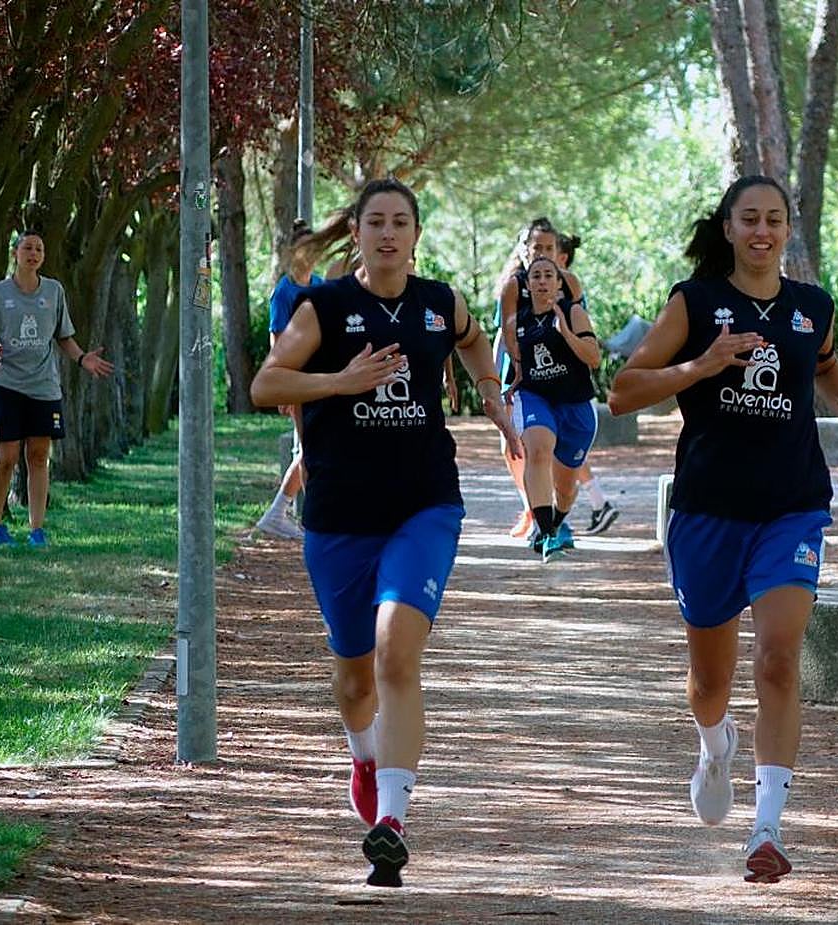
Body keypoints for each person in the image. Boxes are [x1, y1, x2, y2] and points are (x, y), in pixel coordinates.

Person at [608, 176, 838, 883]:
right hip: (708, 511)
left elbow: (824, 363)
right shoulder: (694, 302)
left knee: (777, 658)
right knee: (710, 682)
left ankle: (766, 829)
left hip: (791, 506)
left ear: (788, 229)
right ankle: (715, 746)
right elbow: (622, 391)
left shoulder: (812, 306)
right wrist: (703, 364)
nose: (762, 230)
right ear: (729, 227)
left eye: (774, 219)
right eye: (750, 219)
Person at [250, 177, 520, 888]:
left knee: (396, 651)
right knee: (352, 678)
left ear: (416, 234)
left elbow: (473, 341)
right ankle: (365, 757)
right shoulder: (325, 308)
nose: (389, 233)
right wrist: (339, 382)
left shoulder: (439, 303)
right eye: (376, 222)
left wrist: (491, 396)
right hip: (340, 514)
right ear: (358, 233)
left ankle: (392, 822)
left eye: (401, 222)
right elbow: (266, 384)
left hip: (424, 503)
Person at [0, 229, 115, 548]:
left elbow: (63, 336)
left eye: (39, 249)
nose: (33, 253)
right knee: (7, 456)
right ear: (15, 253)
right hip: (5, 384)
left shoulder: (54, 291)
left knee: (38, 456)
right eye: (27, 248)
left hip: (44, 387)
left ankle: (37, 531)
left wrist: (82, 359)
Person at [504, 254, 600, 562]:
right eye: (536, 276)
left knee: (566, 489)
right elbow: (518, 362)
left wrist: (566, 333)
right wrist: (513, 383)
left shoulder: (574, 313)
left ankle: (556, 522)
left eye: (549, 275)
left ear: (559, 283)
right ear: (528, 285)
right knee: (538, 449)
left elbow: (594, 358)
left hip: (575, 404)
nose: (542, 281)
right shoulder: (517, 321)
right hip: (535, 396)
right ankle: (546, 535)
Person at [255, 219, 324, 540]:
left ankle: (278, 513)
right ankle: (314, 522)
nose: (311, 256)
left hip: (323, 379)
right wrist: (282, 388)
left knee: (317, 448)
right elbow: (278, 342)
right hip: (298, 381)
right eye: (305, 250)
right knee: (311, 449)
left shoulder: (321, 286)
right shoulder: (284, 292)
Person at [556, 231, 620, 536]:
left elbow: (588, 350)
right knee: (557, 450)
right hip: (551, 390)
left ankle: (560, 518)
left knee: (564, 452)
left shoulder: (570, 293)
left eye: (546, 249)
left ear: (561, 257)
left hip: (572, 390)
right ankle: (597, 504)